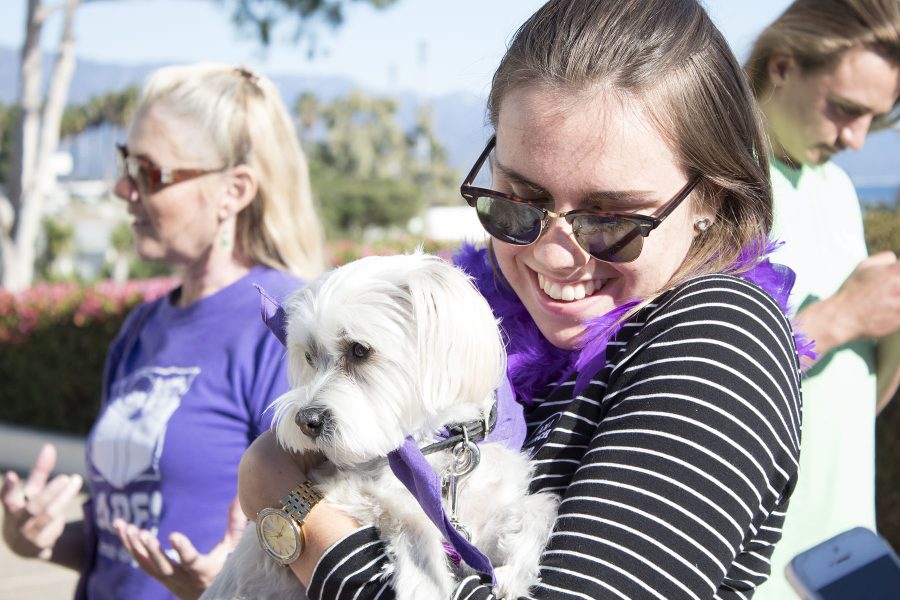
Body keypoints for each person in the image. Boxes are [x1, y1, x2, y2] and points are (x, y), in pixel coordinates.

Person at [236, 0, 806, 597]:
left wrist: (291, 513)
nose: (553, 256)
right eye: (519, 201)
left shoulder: (719, 341)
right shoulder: (483, 321)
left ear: (710, 197)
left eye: (610, 219)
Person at [0, 63, 326, 600]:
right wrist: (39, 537)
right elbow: (118, 543)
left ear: (234, 190)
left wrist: (232, 579)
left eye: (149, 172)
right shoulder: (141, 328)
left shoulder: (287, 323)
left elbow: (322, 499)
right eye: (125, 162)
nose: (121, 187)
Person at [743, 1, 900, 596]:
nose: (856, 139)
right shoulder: (720, 185)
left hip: (848, 548)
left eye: (873, 119)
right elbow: (695, 383)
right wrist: (839, 318)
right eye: (846, 110)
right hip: (756, 565)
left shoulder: (838, 188)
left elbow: (853, 398)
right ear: (782, 67)